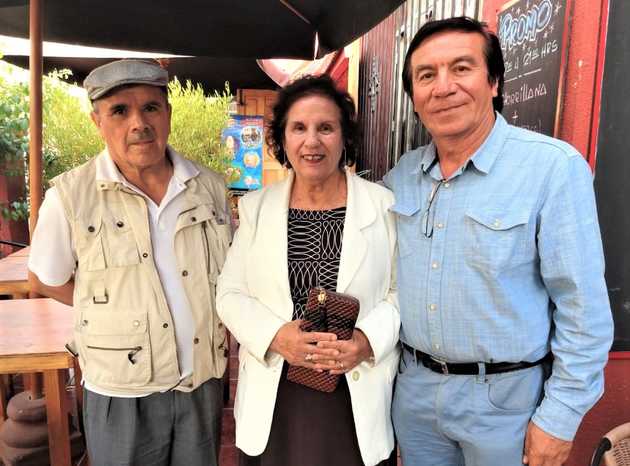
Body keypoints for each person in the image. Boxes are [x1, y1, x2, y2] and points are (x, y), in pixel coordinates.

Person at [383, 17, 614, 466]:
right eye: (426, 75)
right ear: (414, 98)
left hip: (508, 405)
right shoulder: (401, 178)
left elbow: (583, 310)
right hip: (414, 394)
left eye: (462, 68)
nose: (443, 87)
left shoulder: (551, 169)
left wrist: (560, 418)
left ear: (493, 82)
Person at [28, 59, 231, 466]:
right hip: (121, 391)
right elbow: (46, 278)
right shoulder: (71, 196)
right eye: (120, 110)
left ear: (168, 114)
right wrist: (112, 311)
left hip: (201, 380)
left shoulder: (207, 187)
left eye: (151, 107)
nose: (138, 123)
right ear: (97, 121)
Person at [216, 74, 399, 466]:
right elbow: (230, 294)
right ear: (282, 139)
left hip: (353, 389)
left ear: (345, 137)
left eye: (326, 128)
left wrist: (367, 341)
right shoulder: (256, 209)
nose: (311, 141)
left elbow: (401, 292)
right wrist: (277, 336)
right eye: (298, 128)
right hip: (277, 387)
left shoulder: (384, 207)